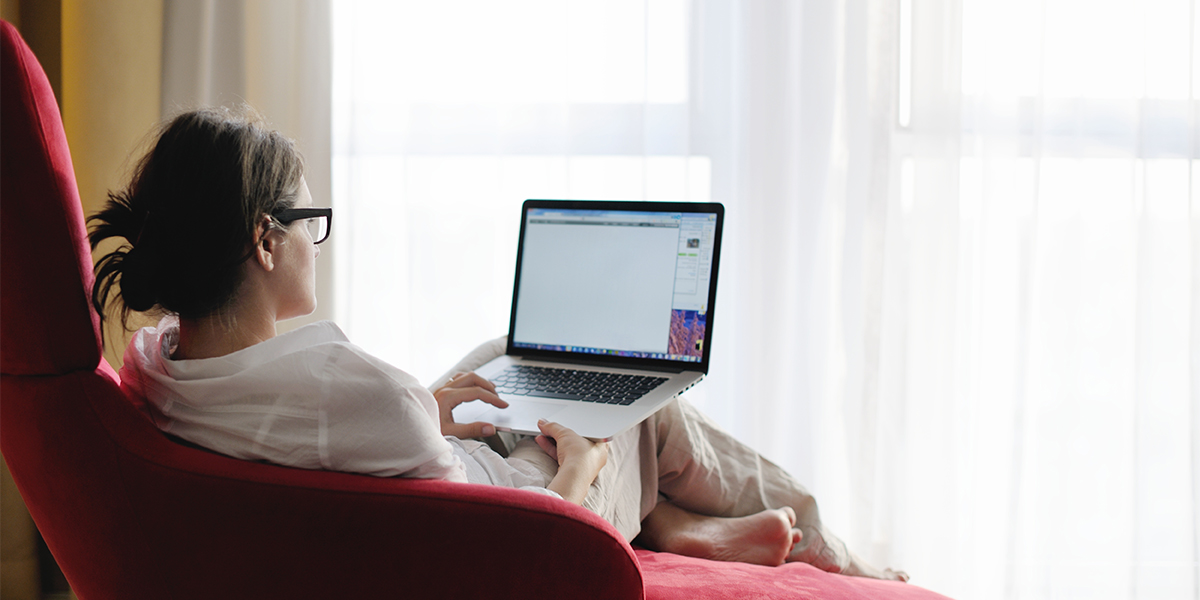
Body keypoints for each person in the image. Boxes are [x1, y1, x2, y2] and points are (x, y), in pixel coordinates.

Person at [90, 106, 907, 580]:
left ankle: (670, 523)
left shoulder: (160, 362)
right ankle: (840, 559)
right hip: (520, 508)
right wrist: (582, 469)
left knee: (505, 351)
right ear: (266, 241)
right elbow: (519, 536)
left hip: (426, 471)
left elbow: (347, 431)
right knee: (638, 402)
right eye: (311, 223)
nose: (318, 239)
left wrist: (428, 410)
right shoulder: (358, 395)